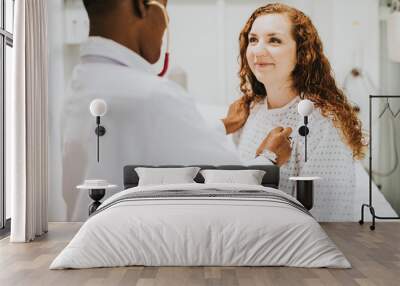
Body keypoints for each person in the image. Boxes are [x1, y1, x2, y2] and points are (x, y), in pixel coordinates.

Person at [60, 0, 288, 220]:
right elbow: (229, 188)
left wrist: (222, 125)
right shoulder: (152, 96)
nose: (167, 21)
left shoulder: (81, 83)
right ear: (142, 5)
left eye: (275, 40)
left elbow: (148, 140)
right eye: (165, 7)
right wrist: (269, 158)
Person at [221, 3, 366, 221]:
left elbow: (328, 219)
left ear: (302, 54)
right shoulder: (250, 112)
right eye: (253, 39)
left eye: (274, 40)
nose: (258, 50)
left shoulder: (322, 123)